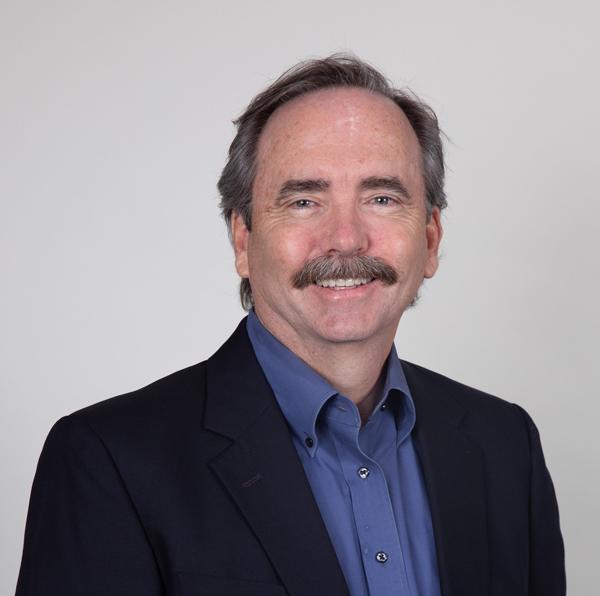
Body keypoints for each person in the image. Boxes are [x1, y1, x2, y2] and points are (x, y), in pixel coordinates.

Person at [16, 55, 565, 596]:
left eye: (381, 198)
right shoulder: (109, 461)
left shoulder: (504, 445)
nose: (346, 238)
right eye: (303, 201)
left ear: (429, 240)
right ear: (243, 241)